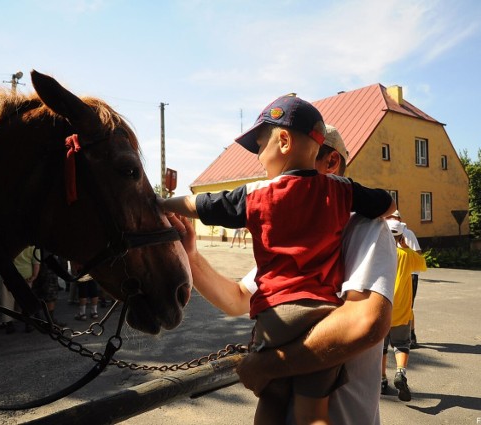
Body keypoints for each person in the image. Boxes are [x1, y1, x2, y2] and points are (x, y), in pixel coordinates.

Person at [160, 96, 394, 425]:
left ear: (332, 165)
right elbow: (239, 299)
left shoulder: (367, 228)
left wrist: (268, 365)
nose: (268, 173)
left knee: (284, 403)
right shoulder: (289, 230)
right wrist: (191, 254)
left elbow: (365, 322)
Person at [381, 220, 426, 402]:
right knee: (401, 344)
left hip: (381, 309)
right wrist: (406, 248)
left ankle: (382, 380)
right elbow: (421, 264)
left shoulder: (377, 253)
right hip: (401, 310)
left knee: (381, 348)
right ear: (401, 236)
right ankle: (400, 372)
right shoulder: (407, 255)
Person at [385, 210, 422, 348]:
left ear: (399, 218)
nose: (390, 219)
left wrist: (405, 251)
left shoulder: (407, 233)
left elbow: (418, 254)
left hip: (409, 274)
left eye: (392, 217)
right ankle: (392, 335)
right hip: (393, 273)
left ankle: (410, 336)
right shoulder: (385, 230)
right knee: (393, 304)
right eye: (387, 217)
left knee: (407, 306)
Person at [0, 246, 40, 334]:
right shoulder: (33, 245)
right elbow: (36, 261)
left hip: (7, 274)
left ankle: (9, 324)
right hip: (26, 275)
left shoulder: (10, 242)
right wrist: (34, 275)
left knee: (6, 300)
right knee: (25, 299)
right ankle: (28, 323)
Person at [31, 249, 66, 327]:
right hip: (48, 262)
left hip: (35, 262)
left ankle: (38, 318)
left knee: (36, 291)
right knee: (50, 293)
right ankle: (50, 319)